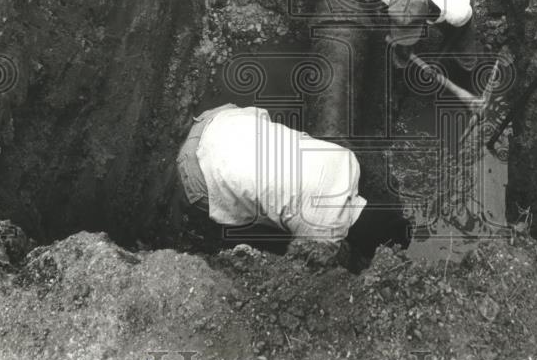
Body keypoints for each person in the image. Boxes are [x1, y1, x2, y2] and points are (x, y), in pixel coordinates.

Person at [162, 103, 410, 266]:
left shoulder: (348, 161)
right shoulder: (324, 235)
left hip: (217, 121)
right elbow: (299, 272)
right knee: (256, 222)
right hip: (196, 173)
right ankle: (204, 237)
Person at [374, 0, 481, 96]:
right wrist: (399, 40)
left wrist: (437, 59)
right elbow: (384, 13)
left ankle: (468, 76)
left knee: (464, 47)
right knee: (401, 45)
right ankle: (401, 74)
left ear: (428, 13)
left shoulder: (456, 9)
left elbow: (458, 33)